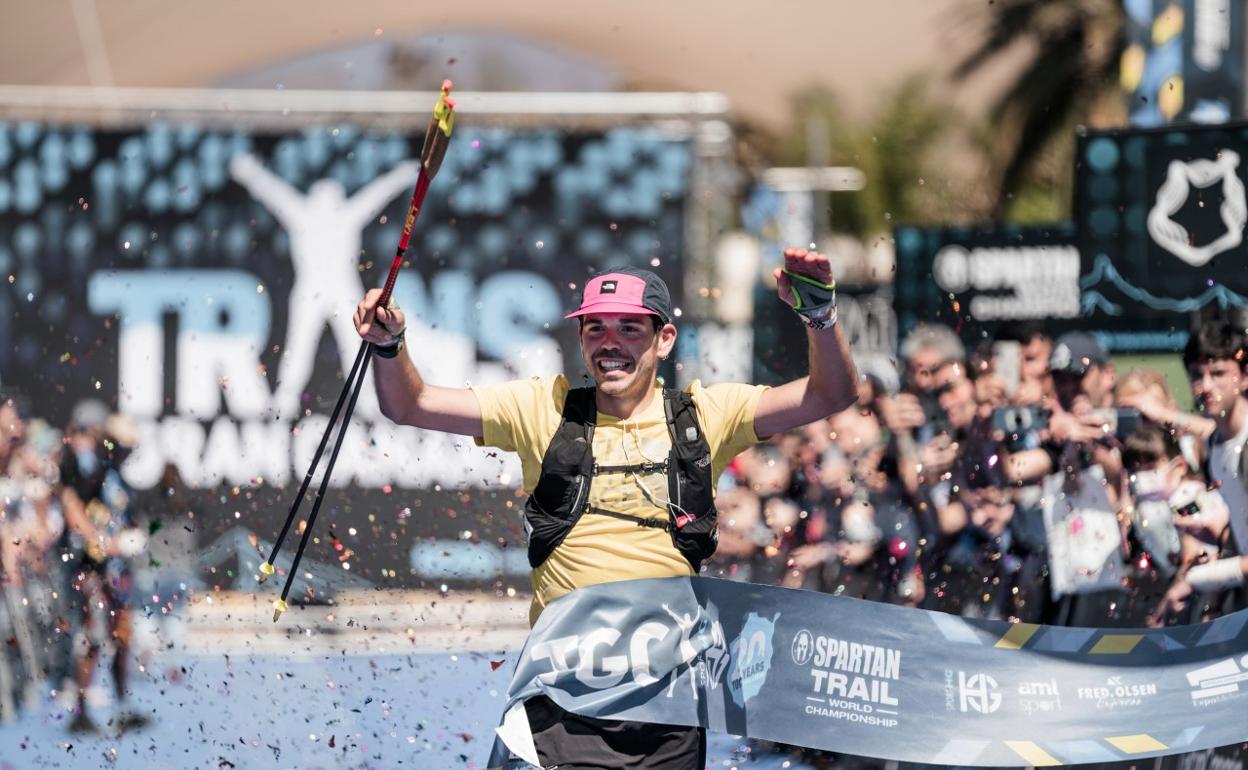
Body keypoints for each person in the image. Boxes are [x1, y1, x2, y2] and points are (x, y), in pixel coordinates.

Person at [355, 248, 857, 770]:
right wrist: (389, 346)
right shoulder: (541, 409)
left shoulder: (707, 415)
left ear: (665, 339)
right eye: (595, 329)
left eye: (629, 329)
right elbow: (410, 404)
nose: (610, 343)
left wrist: (820, 316)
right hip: (560, 710)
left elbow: (831, 395)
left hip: (669, 718)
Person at [57, 404, 149, 733]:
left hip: (117, 569)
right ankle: (81, 710)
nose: (126, 451)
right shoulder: (92, 471)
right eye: (121, 445)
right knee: (92, 636)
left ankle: (123, 706)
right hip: (91, 567)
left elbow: (126, 518)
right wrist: (101, 542)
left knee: (122, 635)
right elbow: (71, 506)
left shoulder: (120, 478)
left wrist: (131, 538)